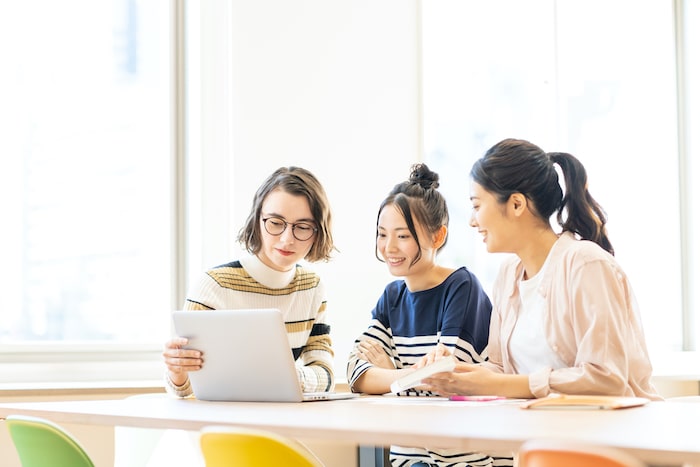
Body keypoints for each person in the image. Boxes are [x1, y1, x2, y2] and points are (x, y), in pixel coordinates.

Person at [423, 138, 661, 402]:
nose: (471, 220)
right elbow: (502, 371)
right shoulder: (508, 275)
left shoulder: (586, 264)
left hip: (605, 435)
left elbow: (606, 379)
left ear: (516, 204)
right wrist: (456, 372)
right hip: (541, 434)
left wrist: (499, 383)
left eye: (477, 205)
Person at [347, 164, 510, 466]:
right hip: (409, 456)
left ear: (437, 237)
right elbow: (356, 373)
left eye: (403, 236)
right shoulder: (392, 296)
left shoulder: (461, 286)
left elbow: (445, 380)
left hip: (463, 459)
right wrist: (407, 376)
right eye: (382, 234)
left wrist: (389, 373)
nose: (389, 247)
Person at [162, 166, 337, 397]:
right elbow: (185, 390)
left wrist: (286, 377)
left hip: (284, 422)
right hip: (223, 424)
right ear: (257, 220)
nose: (287, 239)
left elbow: (326, 376)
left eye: (302, 227)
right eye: (275, 223)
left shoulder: (312, 287)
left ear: (318, 231)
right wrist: (177, 372)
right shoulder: (214, 285)